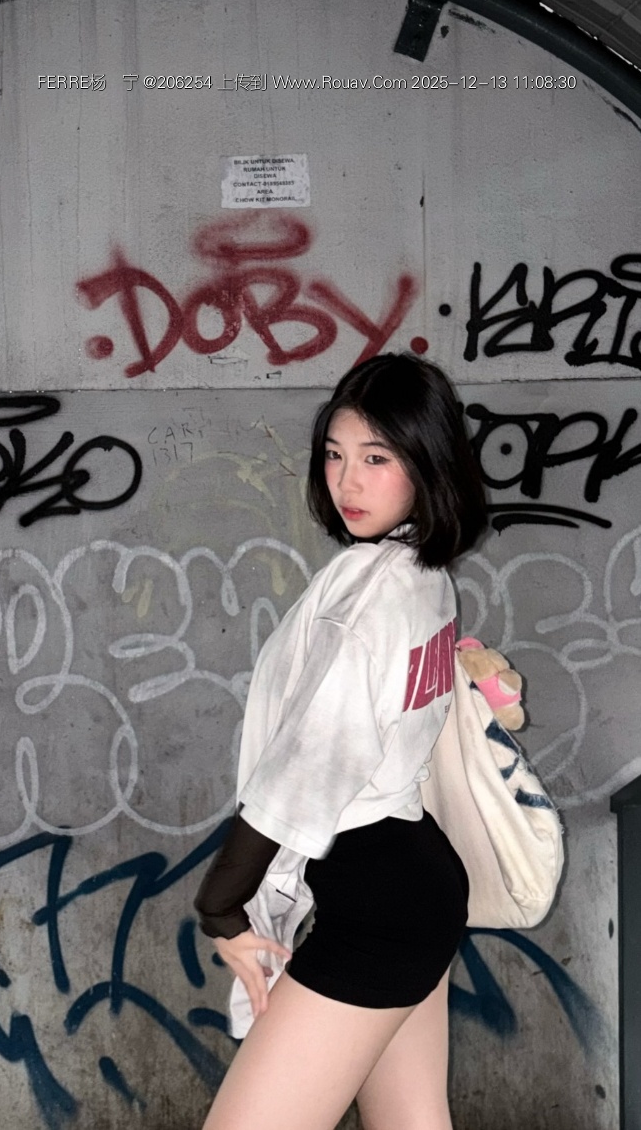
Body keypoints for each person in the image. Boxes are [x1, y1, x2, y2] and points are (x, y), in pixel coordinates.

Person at [194, 352, 488, 1130]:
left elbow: (302, 773)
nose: (346, 482)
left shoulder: (364, 599)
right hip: (413, 884)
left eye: (376, 458)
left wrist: (221, 909)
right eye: (334, 454)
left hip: (379, 906)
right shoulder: (423, 573)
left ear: (427, 465)